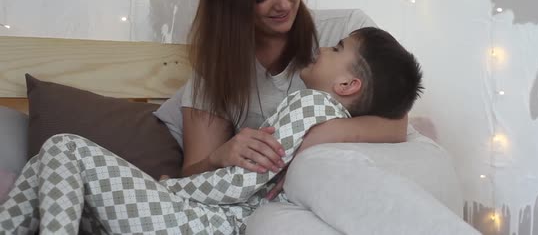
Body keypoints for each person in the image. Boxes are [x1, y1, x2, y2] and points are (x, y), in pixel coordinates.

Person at [0, 27, 422, 234]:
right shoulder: (326, 116)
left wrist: (167, 189)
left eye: (336, 49)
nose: (323, 48)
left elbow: (241, 183)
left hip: (207, 225)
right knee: (45, 162)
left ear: (348, 85)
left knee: (64, 147)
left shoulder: (311, 104)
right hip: (203, 217)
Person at [177, 0, 409, 203]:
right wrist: (220, 156)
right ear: (233, 4)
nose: (284, 4)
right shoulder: (216, 69)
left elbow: (396, 123)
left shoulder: (348, 30)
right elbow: (190, 179)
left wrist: (320, 135)